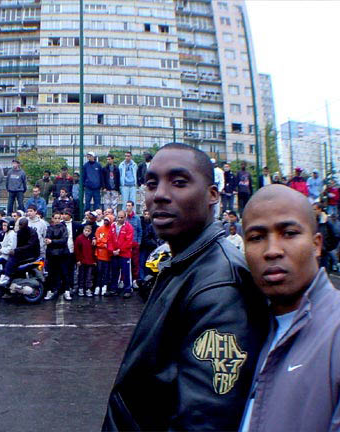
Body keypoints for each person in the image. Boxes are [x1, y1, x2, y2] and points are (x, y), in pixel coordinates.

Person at [103, 143, 269, 431]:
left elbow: (205, 421)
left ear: (212, 195)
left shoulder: (222, 287)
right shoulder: (185, 262)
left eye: (179, 182)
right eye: (151, 184)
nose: (159, 195)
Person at [240, 184, 340, 432]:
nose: (272, 251)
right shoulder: (244, 328)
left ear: (316, 244)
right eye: (256, 238)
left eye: (289, 233)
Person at [0, 218, 39, 286]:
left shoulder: (32, 233)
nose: (20, 226)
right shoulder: (19, 232)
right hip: (22, 251)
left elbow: (30, 245)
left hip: (31, 253)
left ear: (26, 224)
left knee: (13, 257)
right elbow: (17, 243)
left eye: (22, 225)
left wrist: (16, 250)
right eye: (20, 225)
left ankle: (7, 276)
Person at [105, 210, 134, 298]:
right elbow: (109, 239)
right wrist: (112, 250)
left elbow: (128, 242)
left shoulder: (129, 227)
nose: (120, 219)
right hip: (114, 254)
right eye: (118, 217)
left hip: (124, 254)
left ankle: (127, 289)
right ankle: (114, 289)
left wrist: (120, 250)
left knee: (126, 272)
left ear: (125, 217)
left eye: (121, 217)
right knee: (114, 272)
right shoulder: (113, 226)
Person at [43, 212, 72, 301]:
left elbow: (64, 240)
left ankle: (66, 290)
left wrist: (52, 242)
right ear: (52, 219)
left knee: (64, 273)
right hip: (52, 255)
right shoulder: (49, 228)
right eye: (55, 218)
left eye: (58, 218)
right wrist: (52, 242)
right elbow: (47, 239)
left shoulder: (64, 228)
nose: (57, 220)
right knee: (51, 273)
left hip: (62, 254)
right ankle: (51, 290)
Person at [313, 202, 340, 272]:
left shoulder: (327, 221)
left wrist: (328, 247)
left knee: (322, 273)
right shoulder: (312, 220)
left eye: (314, 209)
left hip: (323, 253)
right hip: (313, 252)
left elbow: (335, 235)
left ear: (320, 210)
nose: (313, 211)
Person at [74, 224, 95, 297]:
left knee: (89, 276)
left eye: (88, 231)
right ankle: (81, 288)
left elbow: (92, 250)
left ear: (90, 232)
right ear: (83, 230)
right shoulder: (79, 238)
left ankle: (87, 289)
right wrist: (78, 260)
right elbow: (77, 250)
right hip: (82, 261)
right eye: (85, 230)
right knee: (81, 275)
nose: (86, 232)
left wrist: (93, 260)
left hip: (89, 261)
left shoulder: (91, 239)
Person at [125, 200, 142, 284]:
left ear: (132, 206)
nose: (127, 207)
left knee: (135, 263)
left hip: (134, 243)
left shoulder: (137, 218)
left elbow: (139, 230)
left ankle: (135, 280)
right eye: (126, 205)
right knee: (125, 263)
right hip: (125, 244)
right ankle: (125, 280)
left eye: (129, 205)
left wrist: (138, 242)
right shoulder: (124, 217)